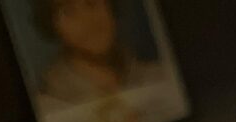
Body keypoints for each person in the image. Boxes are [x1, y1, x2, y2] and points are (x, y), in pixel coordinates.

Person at [33, 0, 165, 109]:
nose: (89, 20)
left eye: (92, 3)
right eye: (69, 11)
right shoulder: (48, 106)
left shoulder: (160, 76)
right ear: (52, 24)